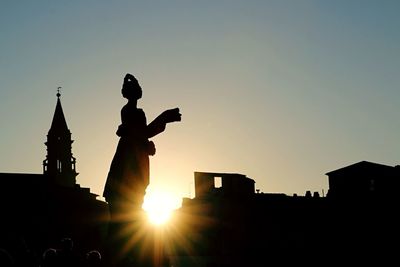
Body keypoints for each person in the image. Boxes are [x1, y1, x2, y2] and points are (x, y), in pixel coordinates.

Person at [103, 73, 181, 266]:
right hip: (129, 164)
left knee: (129, 211)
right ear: (131, 93)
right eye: (136, 89)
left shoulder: (134, 113)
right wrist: (164, 118)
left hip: (133, 161)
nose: (138, 93)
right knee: (125, 212)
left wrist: (147, 144)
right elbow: (141, 134)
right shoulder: (130, 112)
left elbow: (141, 136)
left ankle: (125, 252)